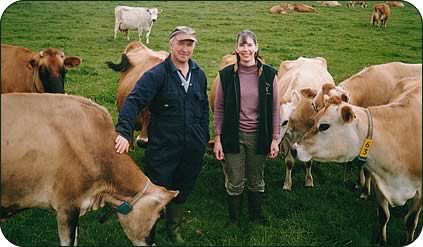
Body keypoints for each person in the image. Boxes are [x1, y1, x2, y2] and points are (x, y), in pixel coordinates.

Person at [115, 26, 209, 244]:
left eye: (189, 44)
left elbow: (203, 108)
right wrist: (123, 132)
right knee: (156, 190)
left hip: (192, 146)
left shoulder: (199, 74)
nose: (185, 49)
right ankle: (150, 232)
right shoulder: (157, 75)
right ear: (171, 44)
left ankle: (173, 229)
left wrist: (203, 136)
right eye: (181, 43)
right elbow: (133, 101)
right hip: (164, 146)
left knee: (183, 186)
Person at [213, 30, 280, 225]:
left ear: (256, 48)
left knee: (256, 178)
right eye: (242, 45)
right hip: (233, 135)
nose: (246, 49)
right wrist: (218, 139)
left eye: (250, 45)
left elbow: (275, 110)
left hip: (260, 136)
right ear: (236, 48)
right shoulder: (226, 76)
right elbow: (219, 109)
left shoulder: (269, 75)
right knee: (235, 179)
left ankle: (256, 217)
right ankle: (234, 219)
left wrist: (275, 139)